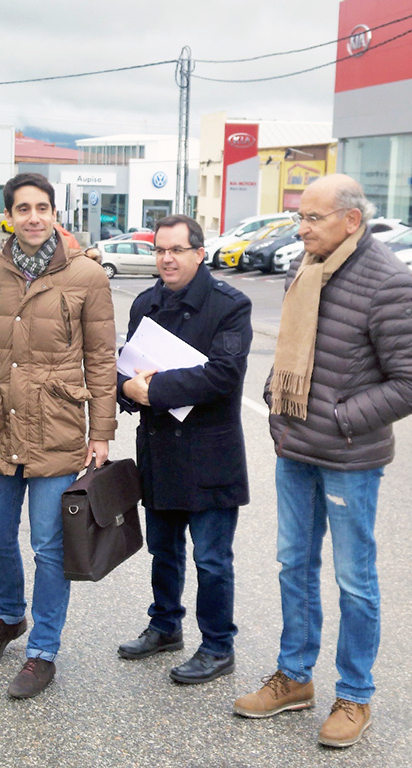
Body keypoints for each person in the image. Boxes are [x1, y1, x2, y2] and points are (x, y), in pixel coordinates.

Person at [233, 174, 412, 748]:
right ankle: (294, 678)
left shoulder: (389, 283)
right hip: (295, 451)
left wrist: (341, 419)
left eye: (312, 218)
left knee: (354, 581)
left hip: (349, 458)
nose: (301, 228)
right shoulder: (309, 265)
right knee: (293, 566)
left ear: (351, 220)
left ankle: (355, 695)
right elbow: (295, 351)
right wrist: (277, 404)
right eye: (300, 216)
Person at [0, 172, 117, 699]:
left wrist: (102, 432)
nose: (33, 217)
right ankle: (8, 618)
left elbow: (100, 358)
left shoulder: (87, 276)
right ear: (9, 215)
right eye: (22, 208)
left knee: (49, 548)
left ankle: (42, 651)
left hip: (58, 427)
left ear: (54, 213)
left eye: (42, 207)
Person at [115, 214, 252, 685]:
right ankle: (165, 625)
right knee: (163, 550)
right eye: (159, 250)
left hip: (209, 454)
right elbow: (124, 368)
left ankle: (217, 646)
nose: (166, 258)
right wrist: (125, 390)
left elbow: (223, 375)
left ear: (199, 252)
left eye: (176, 249)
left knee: (212, 559)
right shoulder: (145, 303)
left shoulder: (230, 305)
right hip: (159, 450)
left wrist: (150, 392)